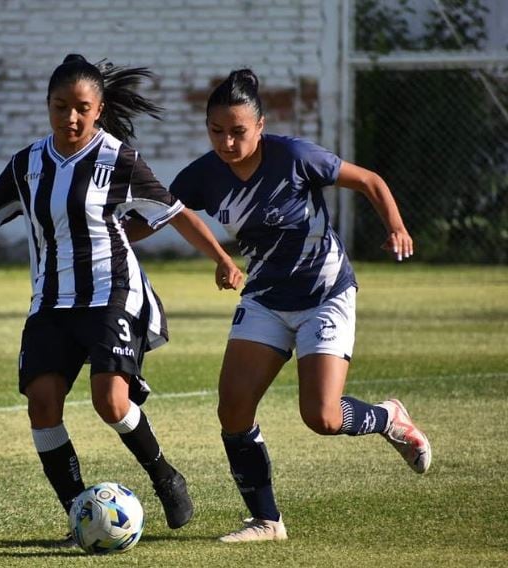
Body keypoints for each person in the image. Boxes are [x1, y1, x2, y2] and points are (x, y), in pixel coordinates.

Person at [0, 54, 242, 537]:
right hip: (51, 302)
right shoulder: (27, 164)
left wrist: (221, 258)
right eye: (60, 106)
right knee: (42, 404)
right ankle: (81, 512)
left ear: (98, 109)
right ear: (48, 106)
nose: (70, 117)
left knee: (110, 403)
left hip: (111, 293)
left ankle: (165, 477)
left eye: (81, 107)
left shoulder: (119, 159)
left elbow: (175, 212)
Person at [129, 68, 431, 543]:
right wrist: (107, 235)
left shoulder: (294, 157)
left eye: (238, 132)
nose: (227, 142)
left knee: (323, 418)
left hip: (324, 296)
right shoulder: (205, 174)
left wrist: (396, 226)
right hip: (266, 300)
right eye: (216, 132)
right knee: (233, 409)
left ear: (261, 126)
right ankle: (266, 520)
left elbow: (370, 181)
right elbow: (159, 215)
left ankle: (387, 417)